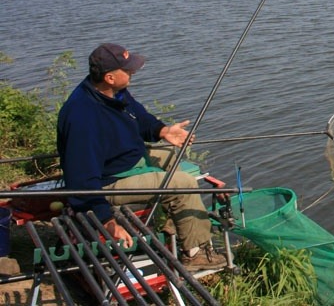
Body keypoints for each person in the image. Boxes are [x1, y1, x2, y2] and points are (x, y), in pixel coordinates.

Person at [57, 43, 226, 271]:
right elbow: (82, 182)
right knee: (183, 184)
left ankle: (173, 227)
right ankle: (195, 254)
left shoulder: (114, 92)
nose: (132, 72)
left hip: (124, 158)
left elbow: (140, 118)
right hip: (107, 180)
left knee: (173, 159)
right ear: (109, 77)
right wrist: (108, 221)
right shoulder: (82, 117)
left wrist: (163, 131)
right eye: (127, 70)